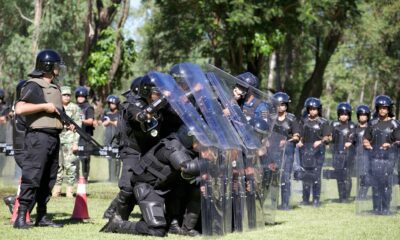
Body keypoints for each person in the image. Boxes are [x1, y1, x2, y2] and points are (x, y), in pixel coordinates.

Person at [14, 49, 67, 229]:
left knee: (49, 178)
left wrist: (66, 122)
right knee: (33, 176)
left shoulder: (55, 87)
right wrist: (45, 106)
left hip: (53, 137)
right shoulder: (33, 85)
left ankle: (42, 216)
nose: (58, 68)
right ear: (47, 66)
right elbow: (20, 108)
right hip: (38, 138)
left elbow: (58, 112)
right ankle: (21, 217)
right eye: (56, 65)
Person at [363, 95, 400, 214]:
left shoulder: (395, 124)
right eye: (380, 107)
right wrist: (367, 144)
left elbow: (398, 140)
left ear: (389, 109)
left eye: (385, 107)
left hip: (389, 158)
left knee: (385, 183)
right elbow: (366, 138)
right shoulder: (372, 123)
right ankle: (376, 208)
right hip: (374, 157)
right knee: (375, 183)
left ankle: (385, 208)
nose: (382, 110)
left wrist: (390, 145)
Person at [297, 97, 331, 207]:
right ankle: (305, 199)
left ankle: (316, 199)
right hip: (305, 152)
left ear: (319, 110)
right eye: (310, 109)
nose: (312, 111)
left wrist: (320, 141)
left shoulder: (324, 122)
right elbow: (300, 135)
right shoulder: (303, 121)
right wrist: (300, 141)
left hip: (318, 153)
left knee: (316, 175)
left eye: (315, 109)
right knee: (305, 175)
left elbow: (327, 138)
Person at [271, 92, 300, 210]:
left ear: (286, 105)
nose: (280, 107)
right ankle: (271, 204)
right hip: (272, 152)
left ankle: (285, 204)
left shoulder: (292, 119)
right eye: (278, 105)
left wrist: (287, 141)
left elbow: (297, 137)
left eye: (283, 104)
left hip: (287, 153)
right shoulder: (271, 118)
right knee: (272, 177)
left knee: (285, 177)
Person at [52, 86, 81, 197]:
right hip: (57, 139)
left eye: (68, 95)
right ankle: (57, 189)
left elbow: (78, 128)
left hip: (70, 140)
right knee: (57, 166)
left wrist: (75, 143)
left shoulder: (75, 108)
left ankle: (69, 190)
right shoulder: (55, 107)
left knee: (70, 165)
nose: (67, 97)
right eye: (64, 95)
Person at [330, 102, 355, 203]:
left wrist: (350, 142)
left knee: (347, 176)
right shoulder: (334, 124)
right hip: (337, 153)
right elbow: (331, 138)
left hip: (349, 154)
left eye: (345, 114)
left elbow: (353, 138)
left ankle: (346, 195)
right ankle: (341, 196)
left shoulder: (352, 126)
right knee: (339, 176)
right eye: (341, 114)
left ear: (349, 115)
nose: (343, 116)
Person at [75, 86, 95, 181]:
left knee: (85, 158)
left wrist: (81, 120)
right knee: (75, 157)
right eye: (78, 96)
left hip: (85, 136)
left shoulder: (88, 107)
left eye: (82, 97)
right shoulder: (74, 107)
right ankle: (75, 177)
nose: (80, 98)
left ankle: (85, 177)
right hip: (75, 136)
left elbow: (90, 121)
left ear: (85, 97)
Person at [102, 95, 121, 181]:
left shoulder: (120, 113)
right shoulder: (106, 112)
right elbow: (102, 123)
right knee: (109, 158)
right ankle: (110, 177)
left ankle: (116, 177)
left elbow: (119, 124)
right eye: (110, 103)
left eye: (113, 103)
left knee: (117, 158)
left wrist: (110, 122)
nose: (111, 105)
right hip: (108, 138)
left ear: (117, 104)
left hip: (117, 139)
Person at [354, 104, 371, 199]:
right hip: (357, 155)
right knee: (360, 175)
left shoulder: (371, 128)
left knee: (366, 175)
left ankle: (362, 195)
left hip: (368, 155)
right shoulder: (355, 128)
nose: (362, 117)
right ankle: (359, 194)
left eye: (364, 115)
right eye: (361, 115)